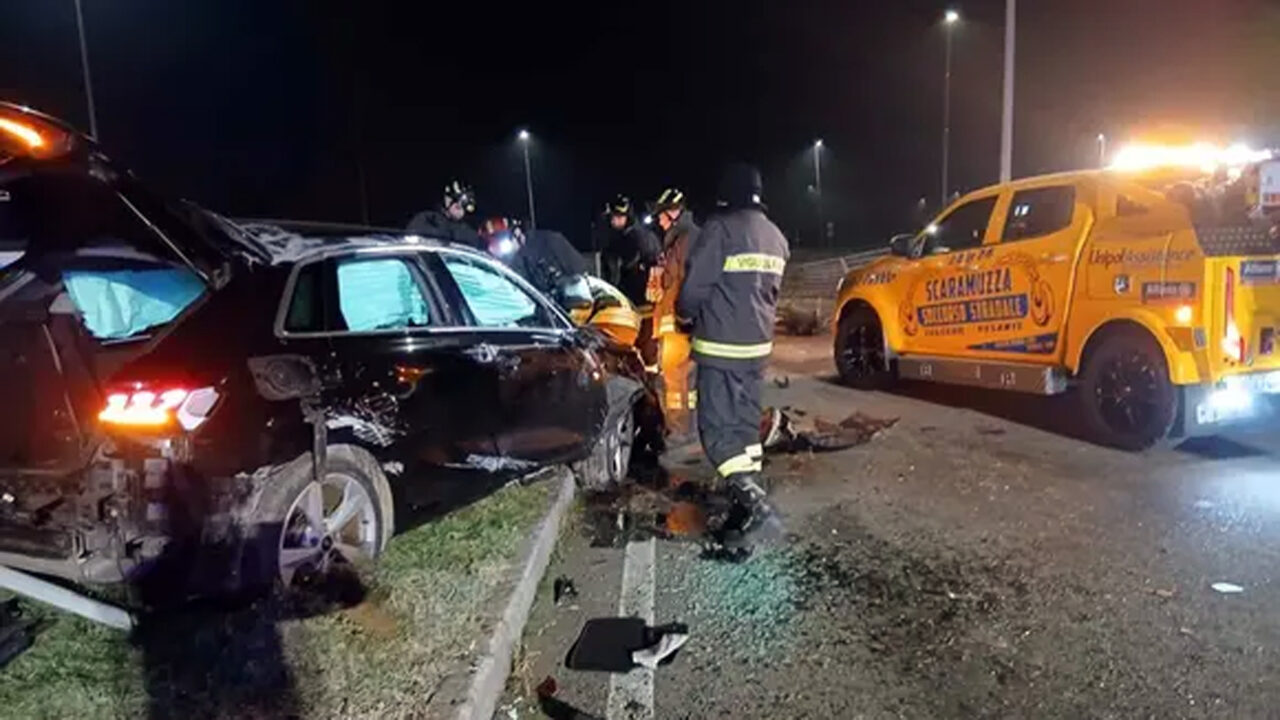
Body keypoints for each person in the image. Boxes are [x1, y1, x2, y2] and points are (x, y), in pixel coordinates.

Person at [677, 163, 789, 531]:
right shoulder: (776, 236)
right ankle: (746, 485)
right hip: (757, 348)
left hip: (720, 346)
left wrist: (684, 314)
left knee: (715, 426)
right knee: (743, 425)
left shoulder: (721, 229)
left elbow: (694, 288)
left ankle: (748, 494)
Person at [647, 187, 699, 445]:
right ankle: (689, 426)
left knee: (675, 379)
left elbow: (688, 283)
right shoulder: (678, 241)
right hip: (673, 322)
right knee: (684, 380)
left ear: (673, 213)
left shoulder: (686, 240)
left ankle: (680, 430)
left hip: (678, 324)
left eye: (661, 215)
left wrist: (683, 317)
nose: (658, 220)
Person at [478, 217, 590, 310]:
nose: (492, 248)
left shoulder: (550, 242)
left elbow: (580, 273)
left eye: (498, 240)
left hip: (567, 309)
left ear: (516, 233)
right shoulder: (501, 265)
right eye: (489, 243)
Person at [406, 180, 481, 247]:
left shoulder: (469, 235)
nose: (458, 207)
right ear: (445, 199)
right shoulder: (427, 220)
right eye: (453, 199)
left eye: (464, 205)